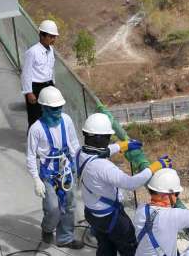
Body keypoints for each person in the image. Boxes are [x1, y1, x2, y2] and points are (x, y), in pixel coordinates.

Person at [76, 113, 173, 256]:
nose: (109, 139)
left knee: (105, 247)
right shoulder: (103, 167)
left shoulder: (80, 153)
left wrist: (122, 146)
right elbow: (131, 183)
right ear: (98, 138)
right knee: (129, 247)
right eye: (107, 137)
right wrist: (153, 167)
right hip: (110, 217)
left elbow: (102, 152)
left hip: (92, 213)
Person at [26, 86, 83, 249]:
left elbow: (74, 144)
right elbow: (30, 156)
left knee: (69, 206)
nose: (57, 111)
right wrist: (36, 179)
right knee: (52, 208)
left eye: (59, 107)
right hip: (48, 174)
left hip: (66, 170)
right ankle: (47, 228)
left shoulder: (66, 120)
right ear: (44, 108)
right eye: (53, 108)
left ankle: (65, 238)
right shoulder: (36, 129)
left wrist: (78, 166)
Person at [22, 20, 59, 127]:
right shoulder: (32, 52)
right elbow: (26, 73)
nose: (53, 39)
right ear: (42, 36)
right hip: (36, 88)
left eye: (54, 36)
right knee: (35, 118)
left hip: (48, 85)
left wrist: (53, 85)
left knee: (49, 115)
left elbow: (51, 69)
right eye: (51, 36)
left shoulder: (51, 50)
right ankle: (33, 142)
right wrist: (29, 92)